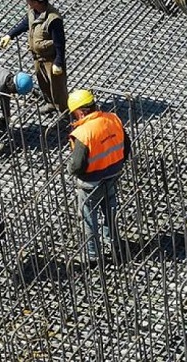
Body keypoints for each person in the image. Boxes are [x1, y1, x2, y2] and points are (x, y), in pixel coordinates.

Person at [66, 89, 131, 264]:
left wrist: (70, 168)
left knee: (88, 216)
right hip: (113, 174)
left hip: (91, 182)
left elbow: (77, 165)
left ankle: (92, 254)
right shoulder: (113, 119)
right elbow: (127, 147)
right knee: (110, 210)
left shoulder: (83, 133)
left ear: (80, 111)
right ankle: (114, 244)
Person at [0, 0, 68, 114]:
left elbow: (60, 42)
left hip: (51, 59)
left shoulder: (53, 19)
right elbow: (26, 24)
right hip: (38, 57)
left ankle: (63, 111)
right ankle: (50, 104)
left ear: (37, 1)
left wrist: (58, 62)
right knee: (43, 84)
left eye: (29, 0)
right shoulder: (33, 11)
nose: (27, 2)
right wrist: (10, 35)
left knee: (57, 87)